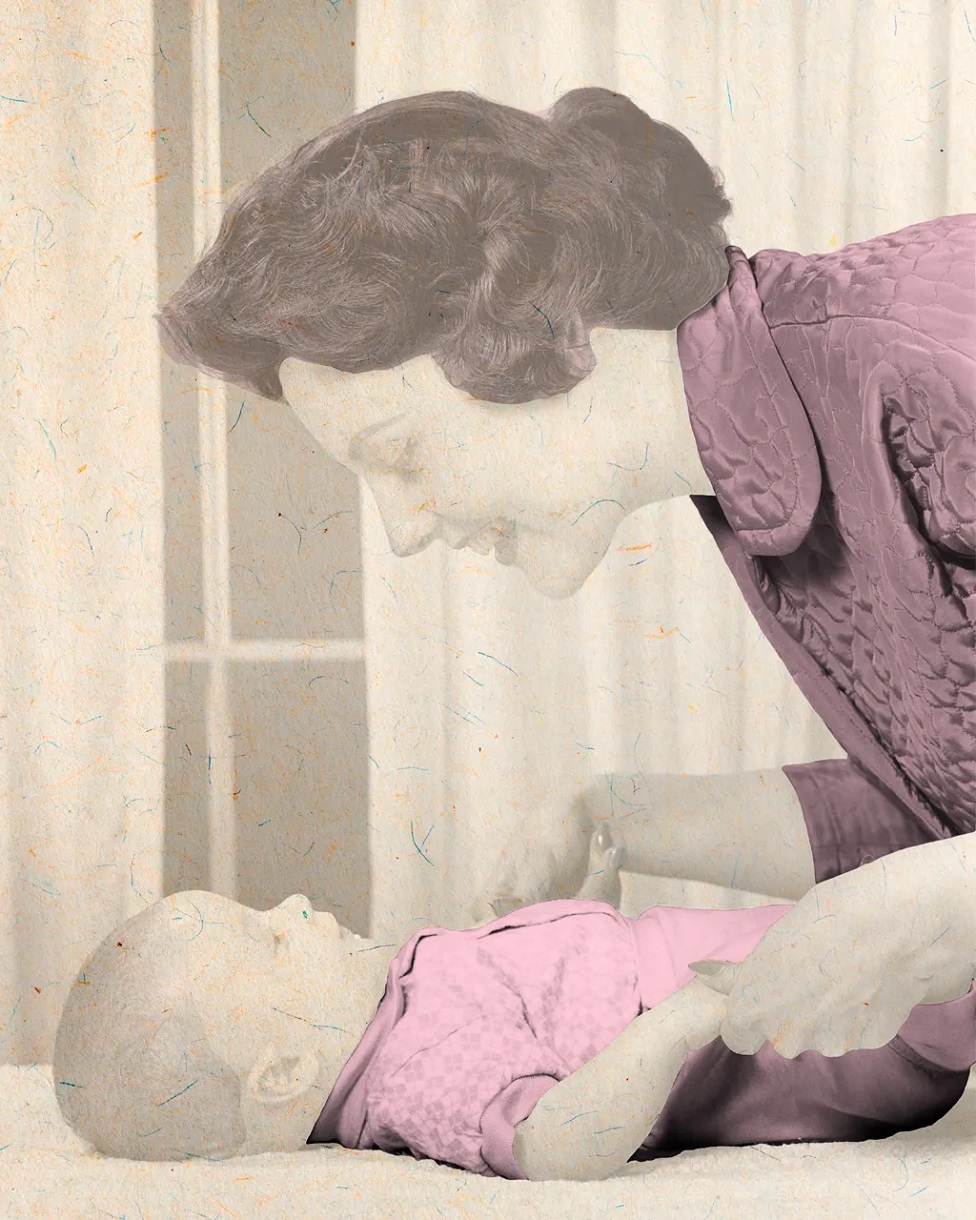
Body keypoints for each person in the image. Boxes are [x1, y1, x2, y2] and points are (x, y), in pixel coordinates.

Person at [155, 86, 976, 1063]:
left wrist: (921, 906)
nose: (404, 531)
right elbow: (942, 815)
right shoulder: (758, 455)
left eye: (400, 454)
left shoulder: (926, 345)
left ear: (547, 321)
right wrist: (614, 816)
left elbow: (937, 879)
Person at [52, 832, 976, 1180]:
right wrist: (688, 1015)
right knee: (933, 953)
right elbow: (550, 1141)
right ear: (285, 1072)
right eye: (268, 941)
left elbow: (524, 1009)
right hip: (789, 1041)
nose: (292, 907)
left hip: (771, 980)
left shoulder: (394, 1012)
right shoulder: (415, 1070)